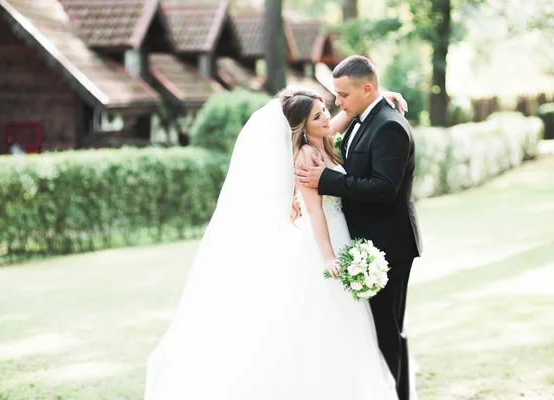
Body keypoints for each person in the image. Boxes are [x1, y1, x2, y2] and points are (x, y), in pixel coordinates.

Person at [144, 88, 409, 399]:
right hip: (323, 243)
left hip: (341, 235)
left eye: (324, 110)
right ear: (302, 126)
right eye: (317, 115)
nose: (326, 117)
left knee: (344, 327)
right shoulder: (306, 156)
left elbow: (344, 116)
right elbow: (314, 214)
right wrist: (327, 257)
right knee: (322, 324)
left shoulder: (320, 138)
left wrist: (376, 96)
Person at [295, 55, 423, 400]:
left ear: (367, 89)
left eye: (344, 95)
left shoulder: (389, 126)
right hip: (362, 241)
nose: (338, 103)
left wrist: (329, 180)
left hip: (388, 245)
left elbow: (384, 189)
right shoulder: (361, 117)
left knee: (387, 331)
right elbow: (339, 119)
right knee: (380, 331)